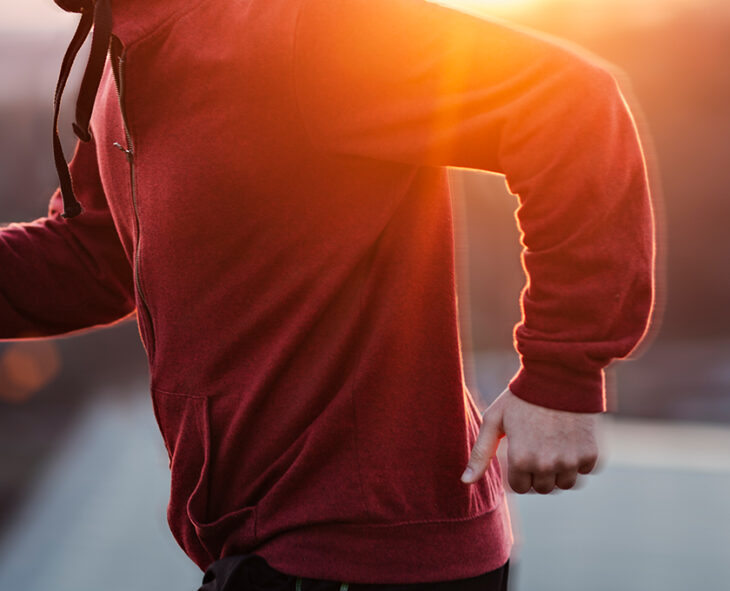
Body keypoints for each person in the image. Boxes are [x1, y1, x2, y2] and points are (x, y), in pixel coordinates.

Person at [2, 0, 655, 589]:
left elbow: (570, 103)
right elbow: (95, 257)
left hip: (368, 554)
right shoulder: (126, 66)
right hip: (263, 548)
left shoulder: (303, 27)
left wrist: (560, 376)